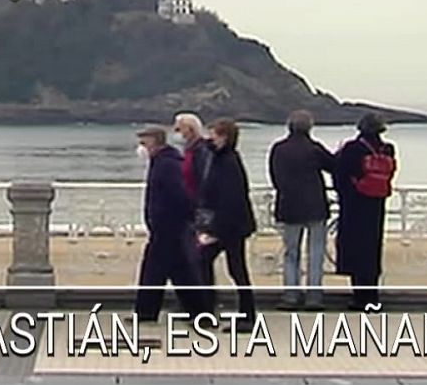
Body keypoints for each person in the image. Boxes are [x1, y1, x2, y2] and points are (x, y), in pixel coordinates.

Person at [133, 124, 210, 321]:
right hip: (164, 226)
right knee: (172, 271)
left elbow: (178, 194)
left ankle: (149, 312)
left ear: (155, 142)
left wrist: (179, 218)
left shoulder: (167, 164)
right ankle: (149, 312)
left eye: (144, 142)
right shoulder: (160, 161)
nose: (141, 147)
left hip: (169, 226)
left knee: (165, 271)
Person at [267, 109, 334, 308]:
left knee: (291, 253)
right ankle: (314, 296)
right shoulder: (314, 148)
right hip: (315, 206)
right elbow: (333, 166)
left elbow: (275, 176)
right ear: (309, 127)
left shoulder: (279, 149)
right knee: (315, 252)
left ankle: (290, 295)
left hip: (289, 205)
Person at [196, 118, 258, 327]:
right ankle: (215, 310)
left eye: (214, 134)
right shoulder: (223, 157)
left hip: (230, 225)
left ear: (224, 137)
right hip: (231, 224)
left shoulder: (228, 162)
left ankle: (242, 315)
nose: (211, 137)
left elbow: (230, 198)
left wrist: (214, 229)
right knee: (226, 266)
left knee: (233, 268)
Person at [334, 112, 398, 311]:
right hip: (376, 204)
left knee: (355, 249)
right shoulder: (388, 149)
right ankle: (373, 296)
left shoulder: (353, 149)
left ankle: (359, 297)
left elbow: (341, 174)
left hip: (354, 205)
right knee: (372, 248)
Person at [173, 112, 214, 198]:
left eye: (178, 129)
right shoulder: (188, 150)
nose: (176, 134)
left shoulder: (203, 150)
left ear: (191, 129)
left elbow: (204, 179)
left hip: (198, 202)